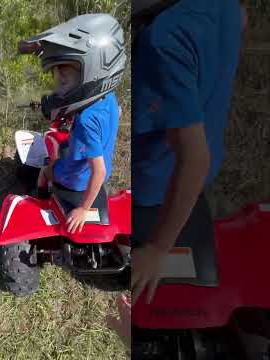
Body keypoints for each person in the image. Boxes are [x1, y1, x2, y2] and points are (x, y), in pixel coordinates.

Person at [131, 0, 248, 305]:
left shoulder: (163, 39)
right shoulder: (229, 8)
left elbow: (194, 159)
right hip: (195, 175)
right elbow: (243, 19)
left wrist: (157, 249)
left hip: (154, 186)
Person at [18, 13, 127, 234]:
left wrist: (83, 210)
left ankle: (40, 199)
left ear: (93, 72)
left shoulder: (86, 121)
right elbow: (117, 112)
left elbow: (99, 171)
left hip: (76, 179)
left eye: (63, 80)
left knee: (45, 169)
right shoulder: (109, 99)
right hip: (90, 170)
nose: (58, 88)